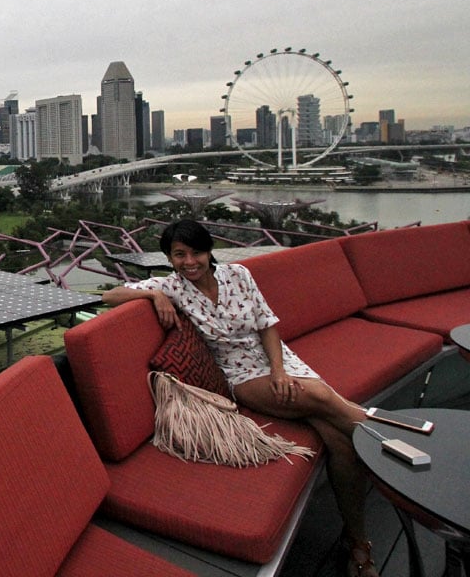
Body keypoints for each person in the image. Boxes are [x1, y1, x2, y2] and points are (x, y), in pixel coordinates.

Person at [101, 219, 378, 577]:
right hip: (242, 377)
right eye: (179, 254)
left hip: (279, 361)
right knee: (322, 396)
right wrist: (153, 295)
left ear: (209, 250)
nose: (189, 262)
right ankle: (386, 442)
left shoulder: (238, 275)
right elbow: (108, 296)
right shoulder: (171, 287)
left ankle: (358, 541)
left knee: (339, 440)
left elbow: (267, 324)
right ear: (169, 258)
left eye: (196, 252)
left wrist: (279, 370)